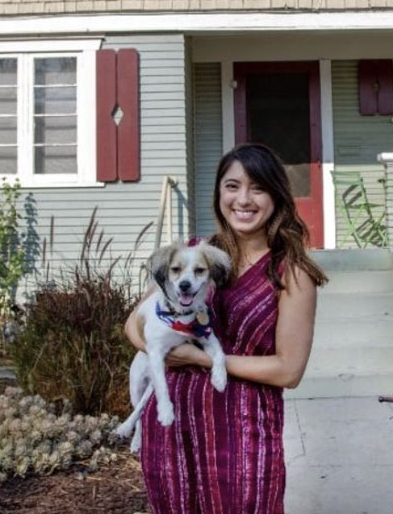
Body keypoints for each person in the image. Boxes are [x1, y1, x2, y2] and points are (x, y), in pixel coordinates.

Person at [124, 143, 328, 513]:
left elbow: (289, 370)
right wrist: (156, 347)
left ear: (276, 195)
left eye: (258, 188)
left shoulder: (291, 272)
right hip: (171, 435)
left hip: (244, 437)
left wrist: (199, 359)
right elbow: (134, 322)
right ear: (219, 192)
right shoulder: (191, 255)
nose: (244, 199)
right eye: (232, 186)